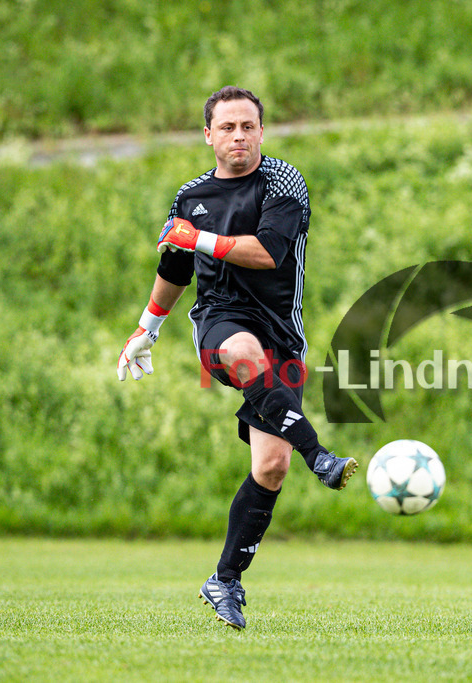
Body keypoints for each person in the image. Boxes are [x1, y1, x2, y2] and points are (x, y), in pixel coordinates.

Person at [116, 86, 357, 630]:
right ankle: (321, 457)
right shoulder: (190, 196)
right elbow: (176, 267)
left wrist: (197, 237)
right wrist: (147, 328)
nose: (239, 136)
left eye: (248, 126)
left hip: (283, 338)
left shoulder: (283, 182)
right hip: (220, 323)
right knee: (244, 352)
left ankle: (224, 580)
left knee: (271, 466)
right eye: (227, 127)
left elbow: (267, 252)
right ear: (209, 135)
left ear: (262, 132)